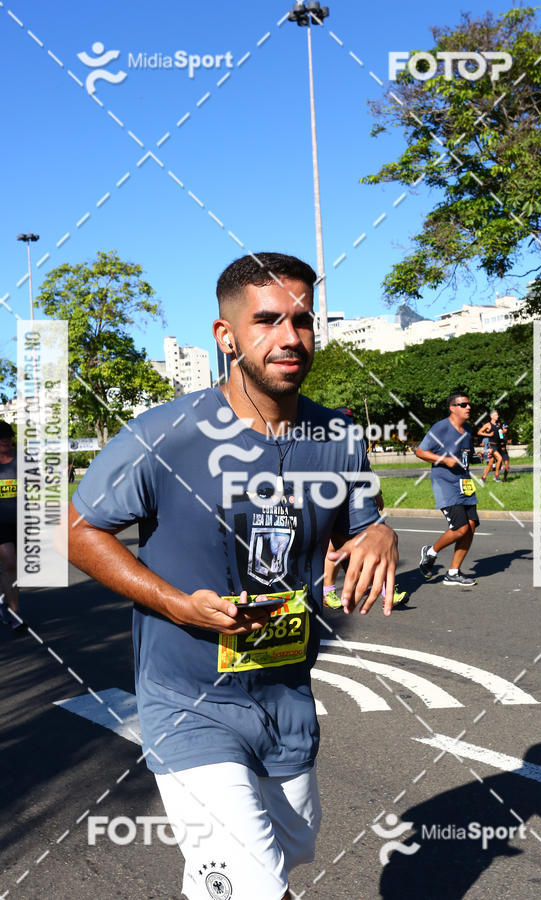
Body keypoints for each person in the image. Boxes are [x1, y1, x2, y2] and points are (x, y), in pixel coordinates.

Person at [67, 252, 399, 900]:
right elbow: (78, 532)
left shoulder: (340, 436)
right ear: (227, 337)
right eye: (267, 320)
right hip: (187, 700)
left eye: (302, 320)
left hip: (285, 696)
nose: (289, 337)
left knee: (291, 846)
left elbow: (360, 525)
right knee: (255, 882)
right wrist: (176, 605)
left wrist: (379, 531)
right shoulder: (164, 435)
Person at [323, 407, 408, 611]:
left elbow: (365, 468)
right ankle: (327, 591)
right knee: (334, 546)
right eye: (344, 419)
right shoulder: (326, 442)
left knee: (370, 538)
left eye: (351, 419)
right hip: (330, 498)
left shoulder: (356, 440)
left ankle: (387, 591)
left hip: (355, 499)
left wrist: (376, 492)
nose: (348, 423)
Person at [414, 392, 479, 587]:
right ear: (452, 408)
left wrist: (480, 456)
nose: (468, 407)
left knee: (471, 527)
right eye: (463, 404)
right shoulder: (440, 427)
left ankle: (453, 572)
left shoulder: (467, 430)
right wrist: (445, 460)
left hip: (464, 483)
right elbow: (420, 451)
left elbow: (466, 456)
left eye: (469, 404)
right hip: (445, 484)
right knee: (460, 528)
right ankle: (430, 552)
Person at [0, 420, 22, 630]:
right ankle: (15, 615)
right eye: (1, 438)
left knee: (16, 567)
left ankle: (6, 601)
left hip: (20, 521)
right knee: (9, 562)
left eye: (8, 436)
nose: (5, 440)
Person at [478, 410, 510, 483]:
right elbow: (479, 432)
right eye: (496, 415)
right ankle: (496, 476)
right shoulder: (488, 425)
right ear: (491, 416)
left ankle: (483, 478)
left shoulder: (498, 425)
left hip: (497, 446)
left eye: (497, 415)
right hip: (491, 445)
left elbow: (501, 433)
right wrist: (488, 435)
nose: (497, 416)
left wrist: (503, 432)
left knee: (490, 463)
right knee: (499, 458)